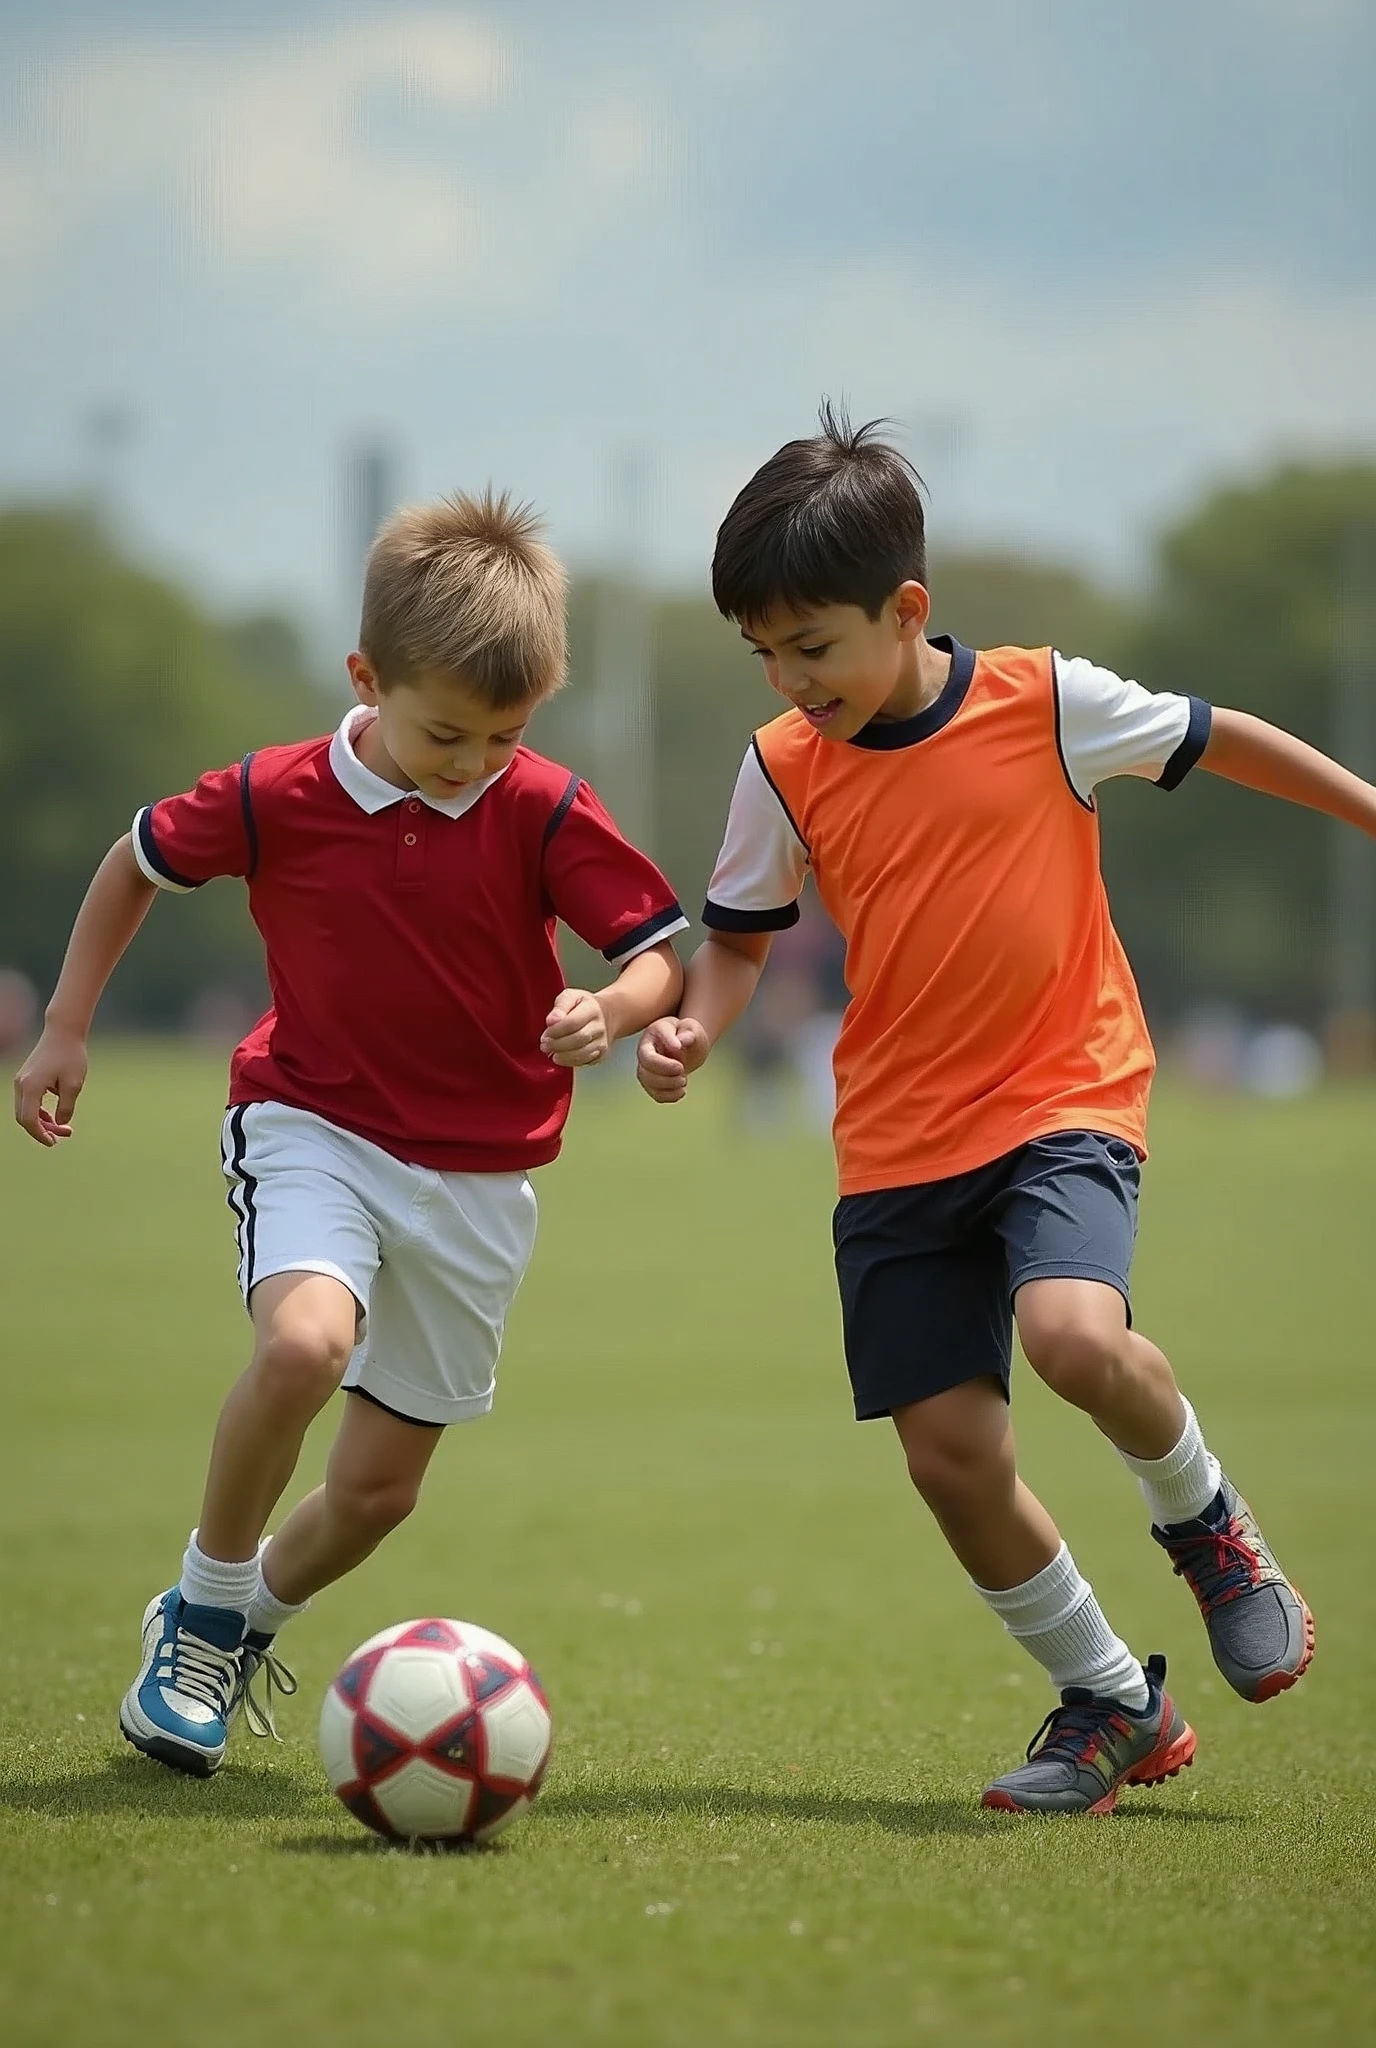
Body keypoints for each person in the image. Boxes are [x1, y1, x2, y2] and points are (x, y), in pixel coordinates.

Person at [636, 407, 1368, 1815]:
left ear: (907, 610)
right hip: (898, 1142)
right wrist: (692, 1028)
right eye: (765, 655)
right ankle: (1110, 1703)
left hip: (1061, 1091)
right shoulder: (783, 764)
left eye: (815, 646)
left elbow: (1225, 740)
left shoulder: (1041, 702)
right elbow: (735, 937)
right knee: (951, 1459)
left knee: (1074, 1333)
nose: (792, 681)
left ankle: (1206, 1522)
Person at [14, 491, 686, 1779]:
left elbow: (656, 951)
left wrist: (615, 1009)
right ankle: (205, 1614)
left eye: (505, 734)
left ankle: (237, 1621)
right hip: (310, 1120)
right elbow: (135, 862)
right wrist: (65, 1028)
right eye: (446, 730)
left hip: (482, 1179)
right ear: (366, 677)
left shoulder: (542, 804)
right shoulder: (276, 793)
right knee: (307, 1344)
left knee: (379, 1495)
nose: (473, 759)